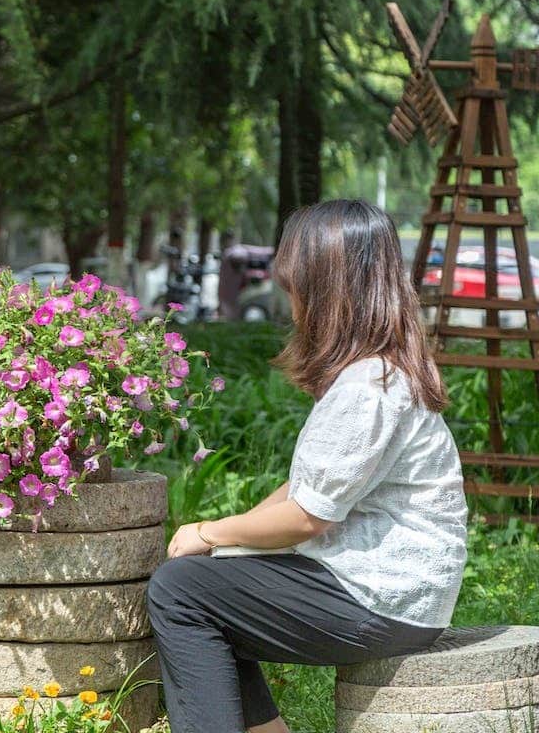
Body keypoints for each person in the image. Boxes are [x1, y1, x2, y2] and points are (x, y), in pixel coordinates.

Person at [146, 199, 467, 733]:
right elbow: (308, 487)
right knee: (214, 581)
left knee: (180, 592)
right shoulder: (378, 373)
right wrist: (227, 542)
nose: (287, 297)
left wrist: (207, 529)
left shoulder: (368, 386)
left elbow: (305, 517)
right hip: (395, 592)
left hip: (384, 598)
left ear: (324, 290)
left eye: (294, 283)